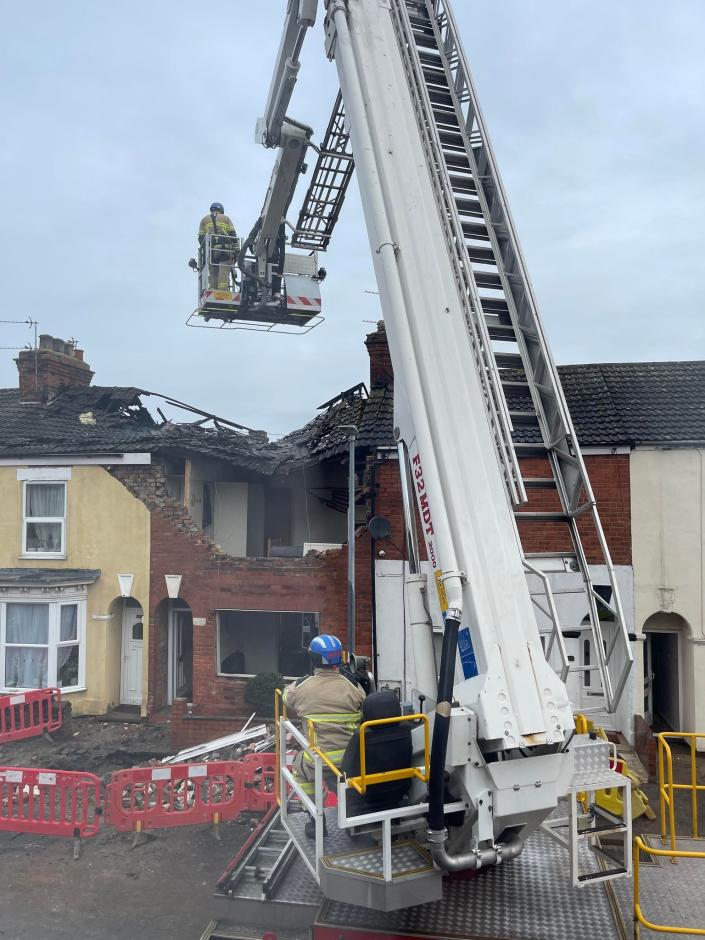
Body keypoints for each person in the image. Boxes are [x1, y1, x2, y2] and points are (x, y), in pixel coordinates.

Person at [283, 634, 365, 835]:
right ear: (339, 658)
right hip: (350, 759)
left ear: (313, 659)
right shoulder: (353, 686)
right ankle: (352, 819)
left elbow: (286, 698)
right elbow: (364, 704)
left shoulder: (301, 687)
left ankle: (315, 820)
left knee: (299, 770)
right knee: (342, 780)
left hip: (317, 759)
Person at [198, 202, 238, 290]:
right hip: (225, 249)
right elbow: (233, 234)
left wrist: (206, 251)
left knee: (213, 273)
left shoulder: (204, 220)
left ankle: (213, 291)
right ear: (221, 210)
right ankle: (223, 292)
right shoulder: (226, 218)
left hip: (211, 251)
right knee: (223, 271)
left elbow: (201, 238)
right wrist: (237, 250)